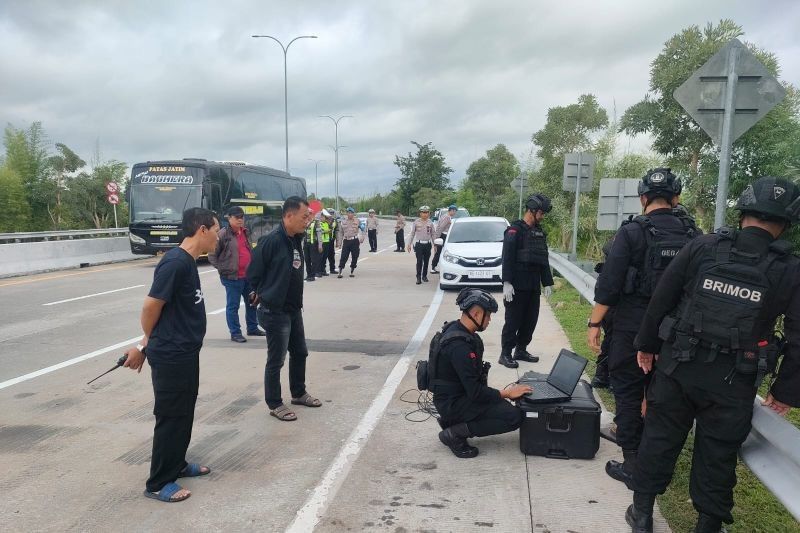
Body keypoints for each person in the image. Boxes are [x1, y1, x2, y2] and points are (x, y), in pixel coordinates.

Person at [625, 176, 800, 533]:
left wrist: (646, 346)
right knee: (717, 455)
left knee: (659, 439)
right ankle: (707, 524)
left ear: (743, 213)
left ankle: (642, 514)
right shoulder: (790, 270)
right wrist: (784, 391)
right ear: (785, 225)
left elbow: (662, 298)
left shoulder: (703, 246)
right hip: (733, 380)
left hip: (678, 367)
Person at [587, 168, 698, 487]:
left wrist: (595, 323)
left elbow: (609, 285)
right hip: (677, 333)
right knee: (662, 397)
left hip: (632, 330)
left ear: (643, 198)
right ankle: (655, 460)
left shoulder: (632, 232)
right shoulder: (693, 234)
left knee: (628, 393)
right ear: (676, 199)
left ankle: (634, 463)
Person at [122, 207, 220, 503]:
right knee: (171, 416)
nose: (219, 235)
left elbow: (169, 311)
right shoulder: (175, 263)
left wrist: (145, 344)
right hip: (172, 355)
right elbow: (151, 307)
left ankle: (176, 464)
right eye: (216, 229)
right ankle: (158, 482)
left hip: (186, 351)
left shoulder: (189, 262)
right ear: (202, 229)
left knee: (184, 412)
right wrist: (145, 344)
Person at [431, 288, 532, 458]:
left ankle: (452, 422)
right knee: (514, 417)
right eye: (488, 315)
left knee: (501, 406)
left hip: (456, 397)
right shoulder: (460, 346)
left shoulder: (459, 331)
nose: (490, 319)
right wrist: (506, 393)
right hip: (453, 403)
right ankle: (455, 433)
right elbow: (476, 392)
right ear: (477, 314)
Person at [247, 196, 322, 422]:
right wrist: (261, 292)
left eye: (307, 217)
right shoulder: (271, 241)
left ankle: (298, 393)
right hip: (274, 311)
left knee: (300, 352)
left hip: (292, 308)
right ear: (288, 216)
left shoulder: (295, 238)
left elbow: (306, 223)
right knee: (276, 360)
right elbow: (253, 273)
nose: (306, 221)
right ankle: (275, 403)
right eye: (302, 217)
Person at [499, 193, 555, 368]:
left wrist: (547, 283)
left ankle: (521, 350)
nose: (543, 216)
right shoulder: (514, 231)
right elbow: (507, 258)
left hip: (533, 285)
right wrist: (506, 283)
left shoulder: (539, 233)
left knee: (530, 320)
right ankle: (505, 353)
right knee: (513, 321)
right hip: (516, 286)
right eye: (541, 212)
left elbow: (543, 259)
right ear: (532, 210)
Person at [208, 206, 264, 343]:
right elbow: (212, 254)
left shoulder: (246, 232)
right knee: (233, 306)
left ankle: (252, 327)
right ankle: (235, 332)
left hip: (248, 276)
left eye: (242, 217)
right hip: (232, 277)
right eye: (236, 217)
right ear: (229, 218)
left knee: (252, 302)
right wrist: (221, 269)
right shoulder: (223, 234)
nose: (240, 220)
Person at [406, 205, 436, 284]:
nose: (425, 214)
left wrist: (435, 244)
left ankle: (424, 276)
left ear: (429, 213)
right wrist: (409, 244)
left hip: (427, 244)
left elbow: (433, 234)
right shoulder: (416, 222)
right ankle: (418, 277)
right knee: (419, 261)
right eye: (423, 212)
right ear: (420, 213)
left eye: (426, 212)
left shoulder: (430, 222)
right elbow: (412, 234)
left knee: (426, 261)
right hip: (419, 244)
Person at [338, 207, 364, 278]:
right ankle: (340, 271)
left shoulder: (358, 221)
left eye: (351, 213)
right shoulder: (343, 221)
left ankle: (352, 270)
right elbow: (340, 233)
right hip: (346, 241)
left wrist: (362, 237)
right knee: (344, 256)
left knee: (355, 256)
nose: (349, 214)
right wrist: (339, 243)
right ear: (346, 213)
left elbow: (363, 229)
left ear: (353, 213)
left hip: (355, 241)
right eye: (348, 213)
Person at [431, 204, 456, 274]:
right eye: (454, 211)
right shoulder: (447, 217)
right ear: (451, 210)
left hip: (443, 235)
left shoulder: (446, 216)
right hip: (443, 236)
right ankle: (433, 267)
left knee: (440, 252)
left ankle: (435, 266)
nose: (455, 213)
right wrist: (437, 238)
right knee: (439, 252)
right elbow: (441, 227)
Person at [303, 208, 321, 282]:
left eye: (310, 214)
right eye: (307, 214)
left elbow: (319, 234)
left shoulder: (316, 222)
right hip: (306, 243)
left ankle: (312, 275)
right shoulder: (304, 222)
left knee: (313, 260)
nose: (308, 215)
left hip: (313, 244)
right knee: (307, 260)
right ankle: (309, 274)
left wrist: (320, 245)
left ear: (312, 214)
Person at [317, 209, 333, 277]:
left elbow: (331, 228)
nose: (324, 218)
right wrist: (327, 231)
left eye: (325, 217)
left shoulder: (327, 223)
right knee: (320, 257)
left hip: (327, 242)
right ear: (320, 217)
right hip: (322, 242)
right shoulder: (319, 224)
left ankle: (323, 270)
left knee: (325, 257)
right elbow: (321, 231)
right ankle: (319, 271)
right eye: (323, 217)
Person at [324, 209, 339, 274]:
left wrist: (337, 241)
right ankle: (322, 270)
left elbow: (337, 231)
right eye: (330, 213)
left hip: (331, 240)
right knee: (324, 256)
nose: (331, 214)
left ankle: (332, 269)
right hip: (324, 241)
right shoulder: (324, 220)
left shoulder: (335, 221)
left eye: (332, 213)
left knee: (331, 255)